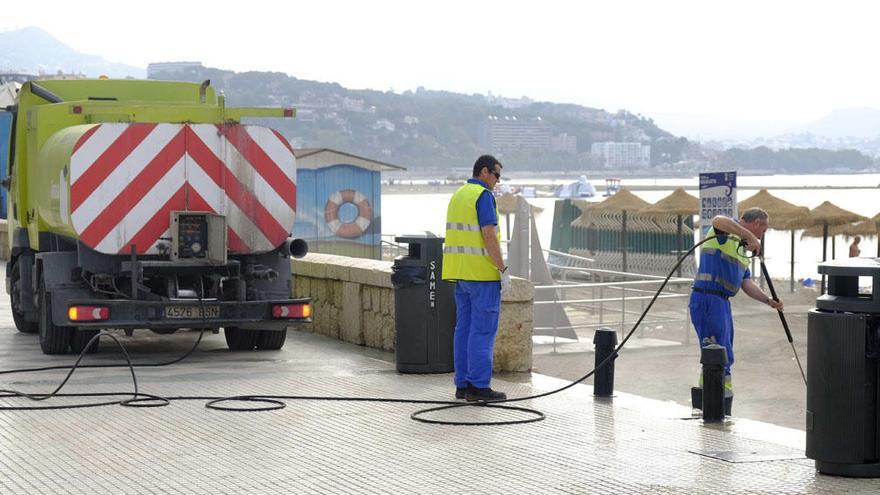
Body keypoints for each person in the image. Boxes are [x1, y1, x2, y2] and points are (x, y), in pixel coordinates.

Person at [690, 208, 784, 411]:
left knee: (724, 352)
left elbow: (746, 283)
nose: (763, 234)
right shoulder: (725, 232)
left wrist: (768, 300)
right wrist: (750, 237)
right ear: (756, 223)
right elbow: (718, 219)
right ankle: (712, 403)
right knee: (715, 351)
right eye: (764, 229)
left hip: (722, 302)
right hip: (707, 298)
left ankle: (718, 400)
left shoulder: (742, 249)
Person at [442, 155, 511, 402]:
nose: (497, 181)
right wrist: (502, 270)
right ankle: (479, 387)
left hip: (459, 274)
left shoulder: (459, 195)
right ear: (484, 172)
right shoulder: (483, 196)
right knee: (482, 332)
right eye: (496, 175)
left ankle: (462, 385)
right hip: (482, 275)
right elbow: (488, 236)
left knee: (464, 330)